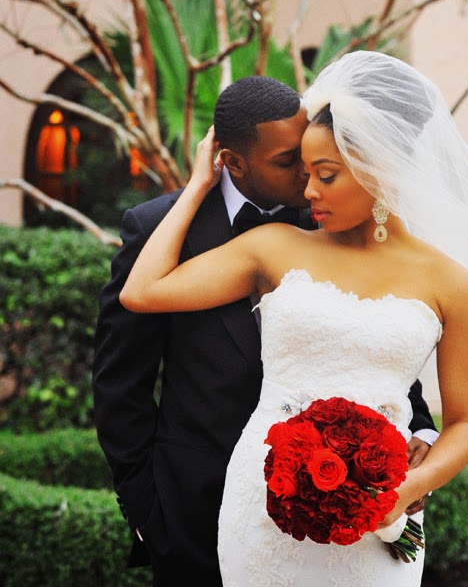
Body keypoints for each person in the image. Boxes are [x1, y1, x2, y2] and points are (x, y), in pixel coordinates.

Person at [119, 51, 468, 586]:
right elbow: (142, 292)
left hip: (381, 508)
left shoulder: (451, 283)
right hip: (262, 505)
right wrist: (199, 184)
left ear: (378, 167)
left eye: (325, 174)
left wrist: (409, 487)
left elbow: (464, 426)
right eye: (305, 171)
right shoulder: (274, 246)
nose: (308, 190)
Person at [93, 73, 437, 587]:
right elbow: (120, 383)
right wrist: (147, 512)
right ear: (233, 161)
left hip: (339, 503)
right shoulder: (157, 229)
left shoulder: (336, 212)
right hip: (195, 507)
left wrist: (420, 432)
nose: (307, 173)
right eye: (287, 161)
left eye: (310, 155)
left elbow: (379, 330)